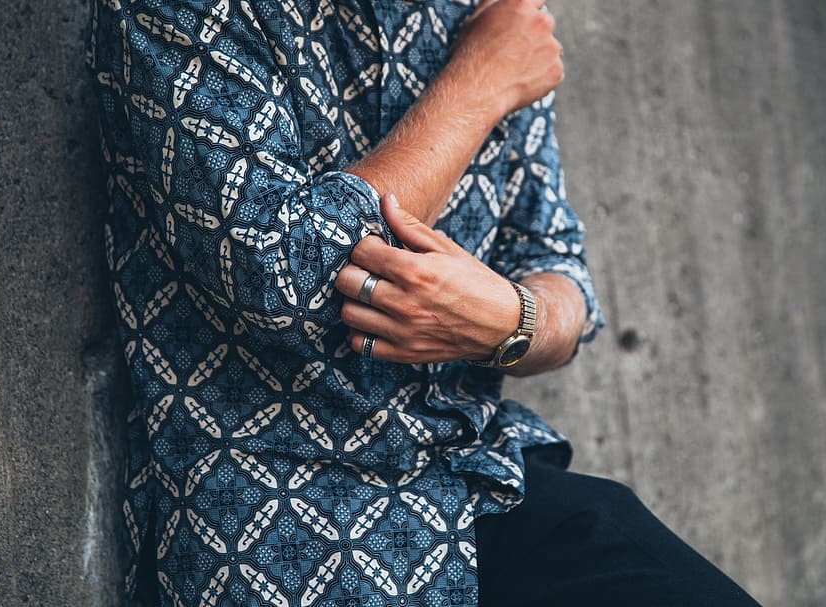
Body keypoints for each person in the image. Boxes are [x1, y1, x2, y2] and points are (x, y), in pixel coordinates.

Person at [86, 0, 761, 605]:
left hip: (478, 482)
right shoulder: (183, 11)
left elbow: (560, 270)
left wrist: (512, 320)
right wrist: (480, 83)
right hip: (286, 524)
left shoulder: (493, 15)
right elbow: (288, 279)